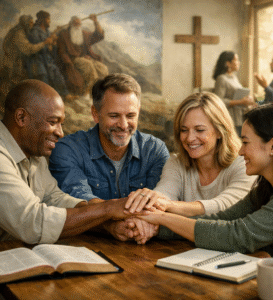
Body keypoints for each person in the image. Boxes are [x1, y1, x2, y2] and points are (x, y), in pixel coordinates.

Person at [127, 102, 273, 265]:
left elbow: (237, 235)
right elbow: (221, 219)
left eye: (246, 143)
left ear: (272, 147)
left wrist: (162, 217)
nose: (241, 151)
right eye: (184, 130)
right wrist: (157, 227)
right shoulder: (264, 189)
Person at [0, 79, 134, 244]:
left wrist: (107, 224)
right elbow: (32, 222)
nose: (60, 133)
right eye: (53, 122)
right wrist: (107, 209)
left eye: (61, 124)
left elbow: (55, 199)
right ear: (21, 118)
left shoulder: (34, 153)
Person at [49, 73, 169, 243]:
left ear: (138, 112)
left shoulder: (155, 150)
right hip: (86, 247)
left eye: (130, 115)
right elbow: (78, 204)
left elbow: (160, 203)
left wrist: (141, 225)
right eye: (114, 116)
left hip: (146, 246)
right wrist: (112, 226)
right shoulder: (68, 150)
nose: (123, 125)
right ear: (95, 114)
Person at [125, 92, 256, 217]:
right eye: (184, 130)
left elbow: (227, 206)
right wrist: (152, 204)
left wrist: (167, 205)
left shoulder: (244, 162)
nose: (189, 138)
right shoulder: (176, 162)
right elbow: (163, 194)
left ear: (219, 131)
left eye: (199, 130)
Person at [0, 15, 53, 100]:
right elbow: (29, 49)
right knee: (7, 87)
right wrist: (44, 43)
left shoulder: (22, 31)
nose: (32, 25)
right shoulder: (18, 33)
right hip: (11, 63)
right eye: (30, 22)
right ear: (25, 23)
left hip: (16, 61)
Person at [26, 11, 74, 101]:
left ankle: (65, 95)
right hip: (37, 60)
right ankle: (45, 100)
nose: (49, 21)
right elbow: (34, 48)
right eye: (48, 19)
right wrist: (46, 42)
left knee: (57, 74)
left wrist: (53, 43)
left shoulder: (48, 32)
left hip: (47, 59)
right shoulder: (35, 31)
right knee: (43, 77)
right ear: (42, 20)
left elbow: (51, 51)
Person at [56, 14, 109, 95]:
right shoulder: (64, 34)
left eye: (79, 24)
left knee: (103, 68)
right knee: (89, 67)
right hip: (73, 59)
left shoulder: (84, 34)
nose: (77, 26)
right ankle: (87, 93)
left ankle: (102, 92)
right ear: (71, 24)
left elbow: (99, 35)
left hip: (85, 58)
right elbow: (62, 52)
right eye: (75, 23)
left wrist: (95, 21)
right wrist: (68, 62)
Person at [213, 51, 255, 136]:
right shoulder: (221, 79)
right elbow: (218, 101)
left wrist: (247, 100)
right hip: (230, 119)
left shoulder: (234, 78)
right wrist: (240, 102)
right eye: (236, 60)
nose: (238, 62)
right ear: (228, 63)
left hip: (240, 118)